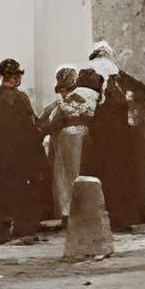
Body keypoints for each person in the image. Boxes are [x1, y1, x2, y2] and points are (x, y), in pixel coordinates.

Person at [0, 58, 52, 244]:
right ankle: (23, 228)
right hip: (22, 154)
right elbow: (32, 125)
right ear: (15, 77)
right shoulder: (21, 98)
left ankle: (2, 231)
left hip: (4, 155)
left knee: (2, 191)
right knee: (23, 190)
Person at [83, 42, 145, 232]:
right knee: (122, 176)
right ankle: (125, 218)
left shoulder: (90, 75)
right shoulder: (122, 78)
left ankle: (101, 220)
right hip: (125, 138)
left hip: (102, 139)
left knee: (103, 176)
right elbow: (142, 94)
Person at [45, 66, 97, 223]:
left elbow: (51, 120)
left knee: (66, 176)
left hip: (67, 139)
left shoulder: (64, 102)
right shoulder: (90, 97)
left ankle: (69, 212)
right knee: (78, 173)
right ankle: (80, 210)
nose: (62, 92)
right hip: (82, 139)